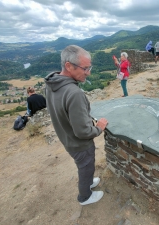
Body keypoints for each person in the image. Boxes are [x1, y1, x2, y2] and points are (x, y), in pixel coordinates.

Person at [44, 45, 108, 206]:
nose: (89, 72)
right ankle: (85, 196)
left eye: (89, 67)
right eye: (85, 68)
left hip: (67, 138)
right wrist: (99, 127)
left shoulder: (52, 84)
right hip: (79, 144)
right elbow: (83, 131)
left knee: (84, 166)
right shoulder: (74, 93)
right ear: (68, 66)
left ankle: (88, 182)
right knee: (85, 166)